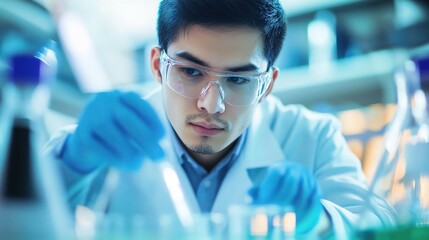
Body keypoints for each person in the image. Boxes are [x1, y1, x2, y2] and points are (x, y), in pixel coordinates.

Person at [45, 0, 394, 237]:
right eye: (191, 72)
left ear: (266, 85)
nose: (211, 105)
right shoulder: (104, 138)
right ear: (157, 66)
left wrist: (318, 220)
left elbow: (384, 228)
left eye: (239, 79)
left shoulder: (311, 137)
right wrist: (73, 161)